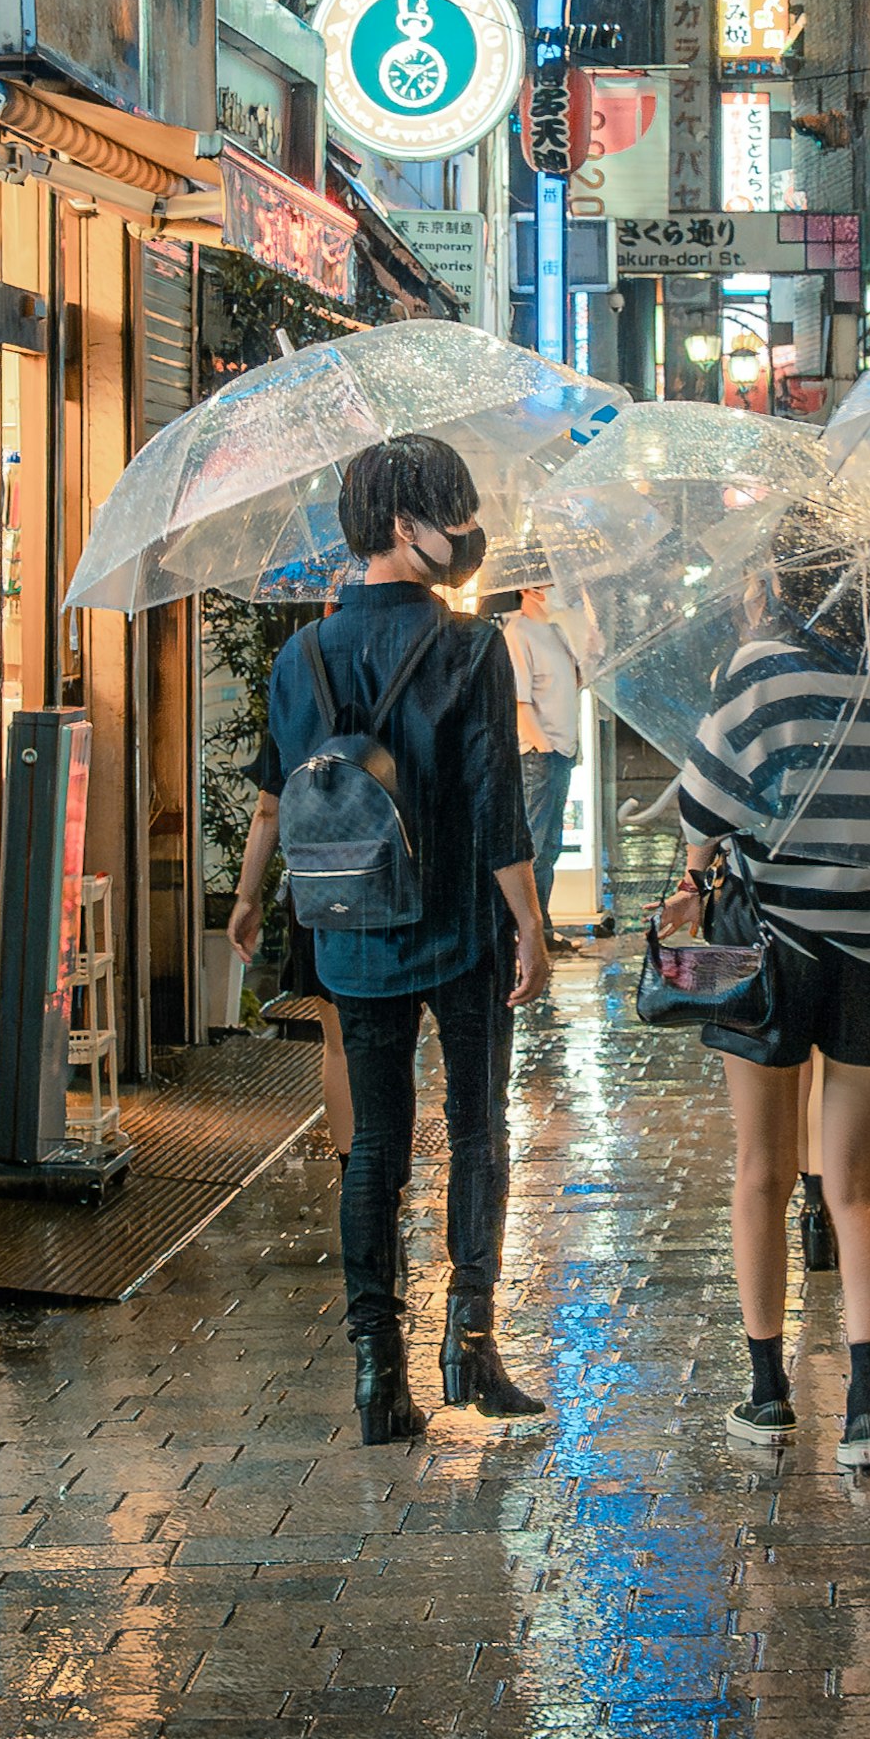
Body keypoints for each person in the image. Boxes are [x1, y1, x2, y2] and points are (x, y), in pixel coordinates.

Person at [663, 485, 870, 1471]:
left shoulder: (756, 675)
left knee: (760, 1172)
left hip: (765, 954)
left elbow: (703, 811)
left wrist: (700, 872)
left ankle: (767, 1398)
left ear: (784, 579)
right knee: (856, 1186)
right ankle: (869, 1416)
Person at [247, 436, 550, 1442]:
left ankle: (378, 1374)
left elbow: (282, 790)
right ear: (399, 528)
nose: (467, 534)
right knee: (476, 1131)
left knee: (374, 1148)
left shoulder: (301, 657)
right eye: (452, 517)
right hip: (459, 931)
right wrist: (533, 928)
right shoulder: (472, 648)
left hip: (354, 933)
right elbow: (497, 806)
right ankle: (470, 1348)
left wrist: (258, 898)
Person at [504, 585, 587, 913]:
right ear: (529, 589)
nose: (557, 590)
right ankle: (530, 930)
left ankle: (544, 925)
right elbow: (519, 700)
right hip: (539, 755)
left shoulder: (556, 631)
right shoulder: (517, 632)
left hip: (562, 750)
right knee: (536, 845)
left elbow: (576, 680)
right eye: (550, 583)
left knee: (551, 845)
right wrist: (544, 746)